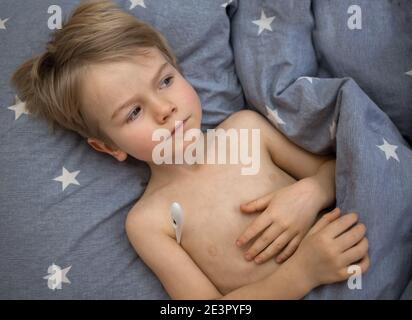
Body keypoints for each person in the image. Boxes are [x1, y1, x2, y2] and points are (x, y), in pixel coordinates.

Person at [11, 0, 369, 299]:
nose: (163, 108)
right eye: (134, 112)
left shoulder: (246, 129)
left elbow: (339, 169)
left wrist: (311, 193)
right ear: (107, 146)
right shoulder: (150, 222)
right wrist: (302, 272)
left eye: (165, 81)